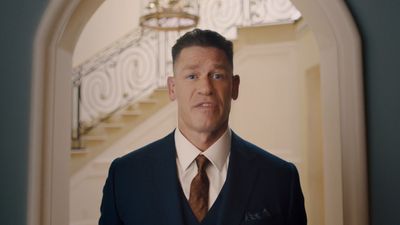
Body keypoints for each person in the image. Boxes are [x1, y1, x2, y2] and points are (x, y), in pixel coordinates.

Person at [99, 29, 307, 225]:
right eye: (192, 76)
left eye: (216, 76)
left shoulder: (280, 179)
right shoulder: (125, 176)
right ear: (172, 88)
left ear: (234, 87)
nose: (205, 89)